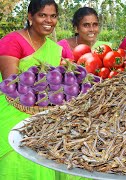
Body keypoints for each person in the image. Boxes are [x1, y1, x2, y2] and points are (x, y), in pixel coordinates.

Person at [0, 0, 61, 179]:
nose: (48, 20)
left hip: (44, 113)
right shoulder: (12, 41)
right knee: (19, 161)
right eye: (42, 15)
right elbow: (11, 86)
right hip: (13, 112)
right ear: (30, 17)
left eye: (53, 16)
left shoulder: (55, 49)